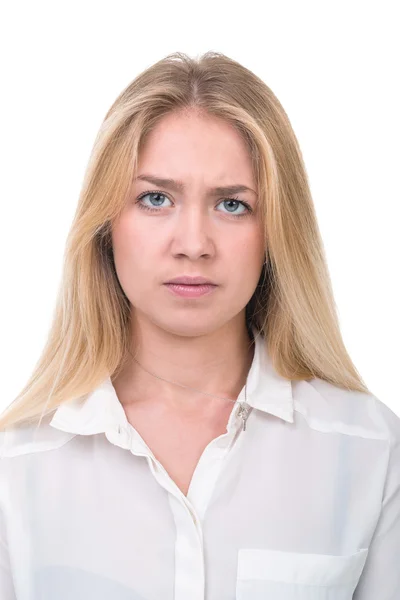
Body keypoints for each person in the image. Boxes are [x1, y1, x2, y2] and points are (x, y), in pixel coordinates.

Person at [0, 51, 399, 600]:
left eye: (232, 205)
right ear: (105, 225)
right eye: (155, 198)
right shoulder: (16, 469)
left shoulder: (371, 451)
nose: (193, 244)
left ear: (276, 229)